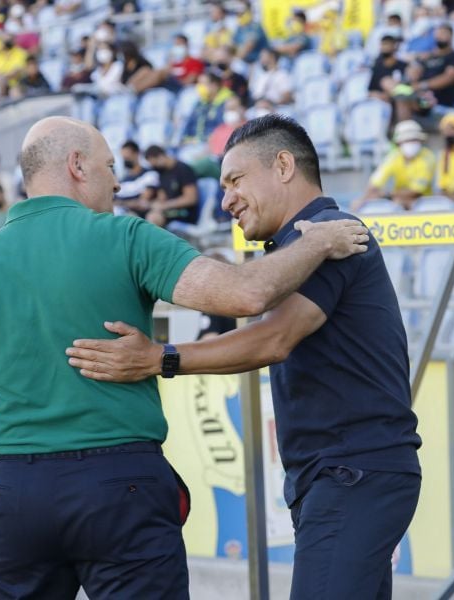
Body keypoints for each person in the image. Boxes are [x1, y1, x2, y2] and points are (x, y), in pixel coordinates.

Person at [0, 115, 370, 600]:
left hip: (15, 490)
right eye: (110, 167)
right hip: (118, 485)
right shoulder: (124, 237)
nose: (118, 183)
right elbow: (247, 294)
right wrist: (319, 241)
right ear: (77, 165)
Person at [66, 115, 421, 600]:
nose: (226, 199)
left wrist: (159, 359)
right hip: (339, 473)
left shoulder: (327, 234)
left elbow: (272, 339)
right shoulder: (299, 245)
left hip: (353, 472)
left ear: (283, 166)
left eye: (235, 180)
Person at [351, 120, 435, 211]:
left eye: (414, 140)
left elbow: (416, 191)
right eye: (407, 140)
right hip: (398, 198)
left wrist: (385, 195)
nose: (411, 143)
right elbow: (375, 183)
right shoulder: (394, 156)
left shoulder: (428, 157)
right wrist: (363, 200)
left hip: (423, 201)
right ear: (399, 143)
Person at [397, 24, 454, 121]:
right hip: (421, 96)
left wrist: (423, 85)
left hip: (439, 102)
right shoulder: (429, 57)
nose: (439, 36)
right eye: (438, 34)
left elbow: (450, 77)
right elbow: (414, 74)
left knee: (404, 98)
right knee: (396, 93)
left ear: (451, 36)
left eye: (443, 33)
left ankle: (405, 130)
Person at [143, 145, 199, 227]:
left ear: (161, 156)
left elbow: (191, 199)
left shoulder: (183, 169)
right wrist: (153, 204)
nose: (154, 167)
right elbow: (162, 197)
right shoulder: (162, 173)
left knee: (153, 218)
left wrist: (165, 206)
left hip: (185, 213)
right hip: (168, 211)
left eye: (155, 163)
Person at [182, 71, 234, 145]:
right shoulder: (200, 103)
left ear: (214, 85)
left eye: (203, 84)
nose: (200, 87)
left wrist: (204, 140)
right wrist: (185, 139)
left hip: (214, 145)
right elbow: (189, 123)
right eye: (199, 83)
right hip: (193, 144)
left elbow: (224, 128)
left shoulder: (228, 102)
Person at [115, 140, 159, 216]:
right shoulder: (123, 180)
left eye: (127, 157)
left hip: (138, 216)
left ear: (137, 154)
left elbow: (142, 202)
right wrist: (127, 203)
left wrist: (122, 203)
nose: (125, 160)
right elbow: (113, 202)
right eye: (123, 157)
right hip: (120, 213)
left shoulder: (150, 174)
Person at [368, 34, 408, 105]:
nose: (385, 47)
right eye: (383, 44)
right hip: (383, 104)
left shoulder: (403, 66)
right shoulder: (377, 68)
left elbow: (409, 88)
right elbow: (370, 91)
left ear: (394, 45)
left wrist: (390, 95)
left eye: (387, 44)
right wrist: (380, 96)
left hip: (401, 100)